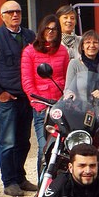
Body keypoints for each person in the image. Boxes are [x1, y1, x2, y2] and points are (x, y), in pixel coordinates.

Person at [0, 0, 37, 197]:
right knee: (8, 141)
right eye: (10, 12)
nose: (15, 15)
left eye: (18, 12)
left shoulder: (30, 36)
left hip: (26, 98)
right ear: (1, 16)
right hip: (7, 99)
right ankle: (9, 181)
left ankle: (20, 177)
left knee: (24, 141)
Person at [21, 14, 69, 174]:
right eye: (47, 28)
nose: (50, 32)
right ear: (41, 30)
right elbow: (27, 81)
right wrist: (38, 104)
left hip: (61, 105)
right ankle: (41, 188)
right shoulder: (29, 51)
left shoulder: (62, 51)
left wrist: (66, 99)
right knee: (45, 147)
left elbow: (67, 78)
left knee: (62, 147)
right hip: (42, 106)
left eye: (54, 29)